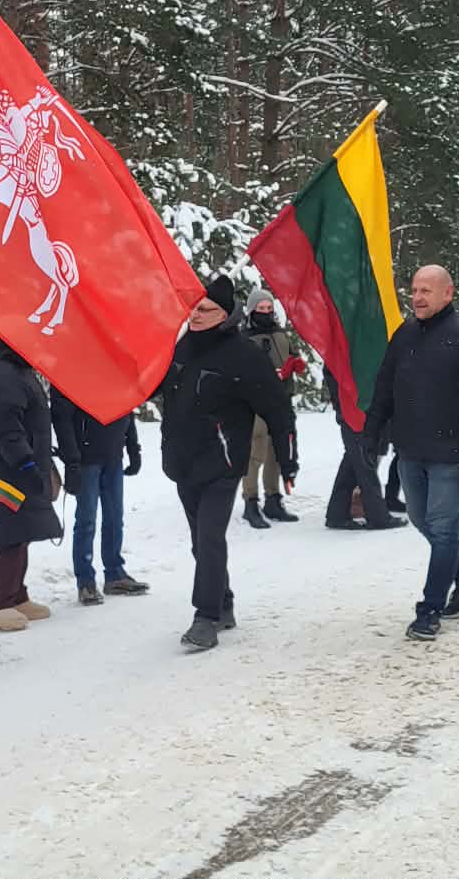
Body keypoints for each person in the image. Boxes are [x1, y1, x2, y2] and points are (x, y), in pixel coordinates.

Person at [156, 276, 297, 651]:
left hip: (223, 462)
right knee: (200, 543)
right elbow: (159, 388)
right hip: (183, 460)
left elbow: (276, 408)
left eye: (205, 309)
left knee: (209, 536)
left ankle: (206, 618)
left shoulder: (243, 354)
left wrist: (288, 459)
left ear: (225, 315)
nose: (196, 314)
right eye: (194, 307)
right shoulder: (182, 346)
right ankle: (224, 602)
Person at [366, 265, 459, 641]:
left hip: (452, 452)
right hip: (410, 449)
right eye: (414, 290)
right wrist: (373, 431)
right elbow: (385, 386)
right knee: (422, 521)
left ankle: (429, 610)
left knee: (442, 530)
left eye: (427, 290)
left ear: (448, 293)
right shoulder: (404, 335)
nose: (418, 297)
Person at [0, 329, 66, 632]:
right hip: (7, 474)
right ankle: (0, 604)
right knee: (11, 536)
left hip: (20, 468)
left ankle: (18, 596)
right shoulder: (3, 377)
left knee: (24, 531)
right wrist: (25, 463)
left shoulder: (16, 371)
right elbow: (5, 429)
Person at [53, 382, 149, 604]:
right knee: (86, 520)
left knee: (115, 518)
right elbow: (61, 417)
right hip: (85, 458)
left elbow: (127, 401)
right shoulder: (70, 367)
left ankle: (115, 573)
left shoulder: (112, 361)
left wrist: (133, 447)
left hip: (113, 453)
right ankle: (85, 581)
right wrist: (72, 461)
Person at [240, 291, 305, 526]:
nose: (266, 312)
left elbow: (292, 354)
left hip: (281, 400)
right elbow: (241, 370)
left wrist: (295, 364)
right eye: (261, 308)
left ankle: (273, 498)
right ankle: (250, 500)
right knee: (255, 451)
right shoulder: (244, 337)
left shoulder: (280, 334)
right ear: (251, 310)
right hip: (256, 402)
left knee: (277, 451)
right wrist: (269, 375)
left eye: (269, 308)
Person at [323, 368, 405, 529]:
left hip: (363, 408)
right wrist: (340, 403)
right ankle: (378, 517)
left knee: (352, 464)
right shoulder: (347, 346)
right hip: (354, 409)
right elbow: (333, 373)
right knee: (364, 462)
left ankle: (337, 514)